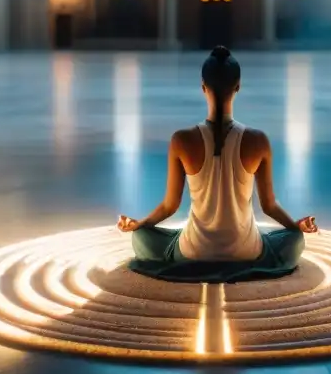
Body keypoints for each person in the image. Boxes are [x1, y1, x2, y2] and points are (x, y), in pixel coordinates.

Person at [117, 46, 318, 282]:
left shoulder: (182, 140)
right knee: (293, 240)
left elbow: (170, 206)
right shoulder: (258, 140)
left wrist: (140, 224)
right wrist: (295, 226)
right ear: (238, 86)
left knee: (141, 237)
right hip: (246, 252)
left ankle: (192, 258)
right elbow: (269, 206)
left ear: (203, 87)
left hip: (193, 251)